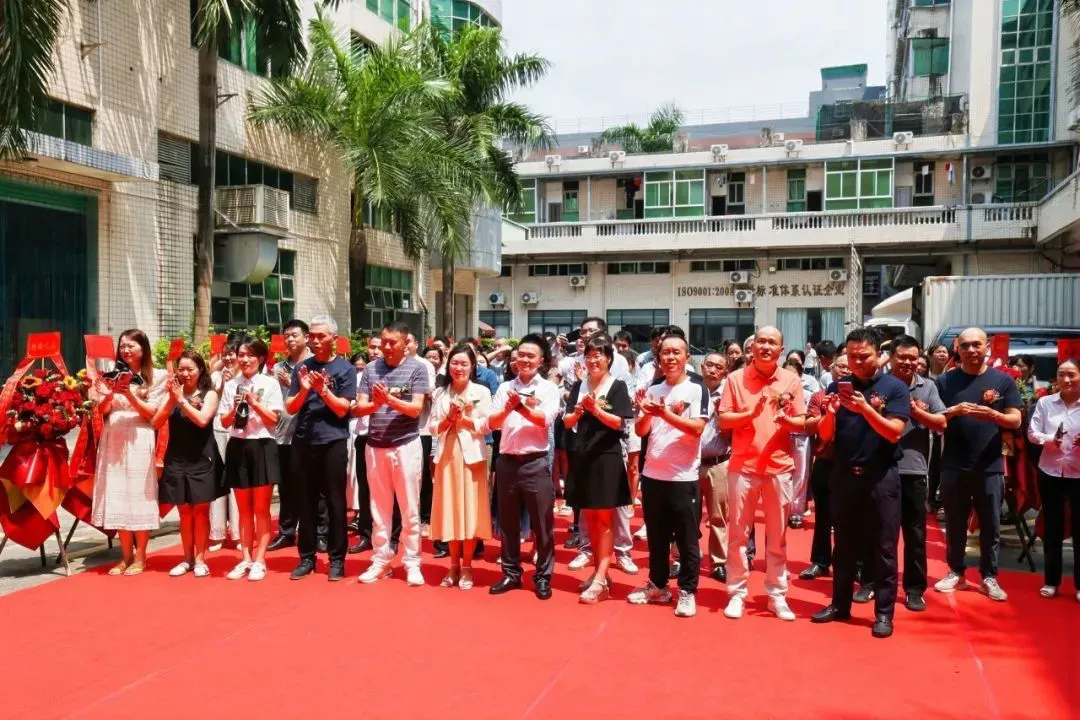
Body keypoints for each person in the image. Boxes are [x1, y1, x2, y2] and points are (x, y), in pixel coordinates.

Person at [810, 328, 909, 639]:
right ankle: (840, 604)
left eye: (863, 356)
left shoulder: (895, 387)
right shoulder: (838, 387)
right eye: (851, 357)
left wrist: (864, 408)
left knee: (884, 548)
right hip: (843, 474)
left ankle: (884, 613)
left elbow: (894, 432)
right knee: (843, 546)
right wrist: (830, 413)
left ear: (879, 355)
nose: (856, 362)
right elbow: (825, 436)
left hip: (880, 476)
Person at [718, 326, 805, 622]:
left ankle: (777, 594)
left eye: (772, 343)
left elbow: (802, 422)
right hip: (743, 466)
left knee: (777, 537)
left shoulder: (791, 380)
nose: (766, 347)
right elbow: (724, 420)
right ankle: (736, 593)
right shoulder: (735, 379)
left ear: (781, 350)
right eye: (761, 341)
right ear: (752, 347)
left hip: (778, 467)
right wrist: (749, 415)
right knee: (737, 535)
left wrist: (787, 419)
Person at [933, 327, 1023, 601]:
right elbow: (934, 419)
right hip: (954, 464)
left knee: (991, 524)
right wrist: (952, 411)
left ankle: (989, 576)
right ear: (957, 349)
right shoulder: (945, 381)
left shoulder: (1003, 381)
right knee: (955, 522)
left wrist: (993, 415)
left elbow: (1015, 420)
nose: (971, 350)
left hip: (989, 464)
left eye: (976, 345)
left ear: (988, 348)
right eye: (965, 346)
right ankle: (956, 571)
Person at [627, 333, 707, 617]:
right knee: (657, 538)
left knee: (686, 540)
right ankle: (658, 586)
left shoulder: (696, 389)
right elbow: (641, 430)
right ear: (658, 358)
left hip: (683, 478)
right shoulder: (653, 388)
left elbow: (697, 428)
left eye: (676, 352)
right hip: (653, 475)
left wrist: (664, 414)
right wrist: (648, 413)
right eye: (665, 353)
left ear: (687, 357)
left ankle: (687, 591)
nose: (670, 357)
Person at [351, 322, 430, 586]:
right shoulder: (371, 369)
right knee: (379, 508)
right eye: (383, 341)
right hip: (375, 445)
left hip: (406, 445)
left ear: (405, 343)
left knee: (409, 507)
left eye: (392, 342)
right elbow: (359, 408)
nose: (385, 346)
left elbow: (416, 409)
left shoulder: (417, 368)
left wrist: (389, 400)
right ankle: (381, 560)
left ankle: (412, 562)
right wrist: (376, 404)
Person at [488, 333, 561, 600]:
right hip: (507, 462)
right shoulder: (504, 387)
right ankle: (511, 572)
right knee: (508, 524)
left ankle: (543, 576)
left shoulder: (549, 389)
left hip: (535, 462)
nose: (525, 360)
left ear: (541, 361)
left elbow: (545, 419)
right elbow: (492, 423)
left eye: (531, 356)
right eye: (521, 355)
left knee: (542, 524)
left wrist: (520, 408)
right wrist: (509, 408)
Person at [562, 318, 637, 575]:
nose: (593, 361)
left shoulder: (617, 386)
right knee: (590, 516)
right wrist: (579, 411)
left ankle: (603, 573)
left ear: (609, 359)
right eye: (589, 356)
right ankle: (595, 566)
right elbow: (567, 421)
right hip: (582, 456)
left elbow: (619, 422)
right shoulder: (579, 386)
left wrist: (596, 410)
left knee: (605, 518)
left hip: (607, 456)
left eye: (599, 356)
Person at [286, 316, 357, 582]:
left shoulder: (345, 369)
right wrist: (306, 389)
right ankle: (307, 557)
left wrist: (323, 391)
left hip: (333, 441)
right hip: (303, 441)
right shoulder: (302, 367)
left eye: (321, 336)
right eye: (312, 336)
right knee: (305, 501)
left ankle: (337, 559)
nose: (315, 341)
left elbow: (343, 409)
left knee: (336, 502)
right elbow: (290, 407)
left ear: (333, 339)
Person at [91, 329, 167, 576]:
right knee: (118, 495)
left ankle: (141, 556)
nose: (125, 350)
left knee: (139, 496)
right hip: (113, 437)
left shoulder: (157, 376)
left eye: (131, 346)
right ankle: (125, 557)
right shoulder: (109, 374)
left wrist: (128, 395)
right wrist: (109, 394)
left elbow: (152, 413)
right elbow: (103, 411)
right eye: (122, 346)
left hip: (139, 438)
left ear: (143, 348)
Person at [884, 336, 946, 611]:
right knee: (881, 532)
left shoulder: (927, 387)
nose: (907, 362)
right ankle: (874, 583)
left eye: (913, 358)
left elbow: (941, 423)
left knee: (915, 534)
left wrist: (915, 412)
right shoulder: (879, 383)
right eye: (902, 357)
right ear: (891, 357)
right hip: (882, 468)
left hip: (914, 469)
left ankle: (914, 588)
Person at [153, 350, 224, 577]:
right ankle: (187, 559)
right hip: (176, 459)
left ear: (200, 370)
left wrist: (182, 401)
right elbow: (156, 422)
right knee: (184, 512)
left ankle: (201, 559)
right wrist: (171, 399)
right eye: (181, 369)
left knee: (200, 511)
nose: (185, 374)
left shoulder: (209, 394)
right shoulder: (173, 393)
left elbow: (202, 420)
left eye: (190, 369)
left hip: (202, 458)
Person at [429, 344, 492, 590]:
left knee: (470, 510)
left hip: (472, 456)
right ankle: (453, 564)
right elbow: (432, 427)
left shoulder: (482, 391)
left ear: (472, 366)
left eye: (464, 363)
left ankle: (467, 566)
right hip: (447, 454)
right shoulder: (440, 393)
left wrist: (464, 419)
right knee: (450, 509)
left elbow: (487, 425)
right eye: (454, 363)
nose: (459, 368)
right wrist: (449, 419)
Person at [219, 336, 282, 581]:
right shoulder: (231, 385)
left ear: (261, 358)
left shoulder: (270, 383)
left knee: (261, 509)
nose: (244, 360)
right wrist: (235, 407)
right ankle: (245, 558)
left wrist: (254, 403)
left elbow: (273, 420)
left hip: (262, 445)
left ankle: (260, 560)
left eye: (249, 355)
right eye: (241, 355)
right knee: (243, 509)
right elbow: (224, 422)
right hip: (238, 446)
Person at [269, 319, 327, 553]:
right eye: (286, 336)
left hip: (311, 434)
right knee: (287, 487)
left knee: (316, 486)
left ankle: (320, 533)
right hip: (284, 433)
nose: (290, 339)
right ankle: (286, 532)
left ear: (306, 338)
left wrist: (295, 382)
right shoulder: (278, 368)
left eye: (294, 335)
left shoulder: (316, 364)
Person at [1026, 358, 1080, 601]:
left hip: (1078, 473)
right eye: (1061, 374)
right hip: (1050, 470)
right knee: (1052, 527)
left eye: (1072, 374)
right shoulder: (1045, 403)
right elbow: (1032, 433)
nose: (1066, 380)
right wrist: (1050, 439)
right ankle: (1051, 581)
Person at [800, 353, 851, 581]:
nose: (845, 370)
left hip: (851, 464)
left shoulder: (860, 397)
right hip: (825, 462)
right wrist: (827, 413)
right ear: (832, 369)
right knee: (823, 516)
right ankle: (820, 561)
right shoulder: (819, 397)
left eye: (848, 367)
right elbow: (809, 426)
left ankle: (853, 564)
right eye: (840, 366)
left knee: (850, 519)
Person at [698, 351, 731, 583]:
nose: (712, 370)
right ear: (702, 368)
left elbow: (732, 433)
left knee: (719, 517)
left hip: (718, 463)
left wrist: (721, 415)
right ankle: (681, 558)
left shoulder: (729, 396)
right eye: (709, 365)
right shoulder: (692, 391)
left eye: (718, 367)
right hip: (689, 463)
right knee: (686, 516)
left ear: (725, 372)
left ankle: (719, 562)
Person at [208, 341, 241, 551]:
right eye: (225, 354)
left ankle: (238, 534)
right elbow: (210, 402)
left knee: (237, 483)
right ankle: (217, 533)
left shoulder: (246, 377)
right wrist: (220, 387)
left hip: (239, 432)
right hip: (218, 430)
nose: (228, 358)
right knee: (218, 482)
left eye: (232, 354)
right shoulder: (215, 377)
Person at [784, 350, 820, 529]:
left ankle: (796, 512)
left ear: (800, 377)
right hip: (780, 437)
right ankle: (781, 510)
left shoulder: (807, 395)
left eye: (793, 376)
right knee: (780, 476)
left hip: (800, 437)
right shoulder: (774, 394)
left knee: (800, 475)